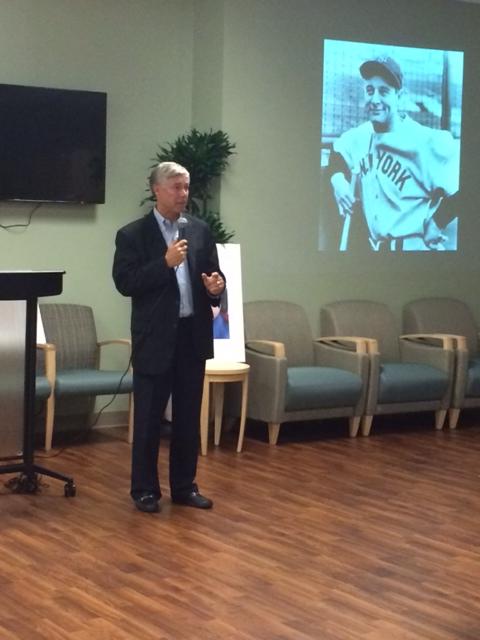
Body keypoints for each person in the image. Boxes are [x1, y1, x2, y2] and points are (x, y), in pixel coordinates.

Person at [112, 161, 225, 513]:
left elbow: (213, 275)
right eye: (176, 187)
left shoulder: (200, 230)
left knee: (188, 419)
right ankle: (145, 490)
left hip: (192, 336)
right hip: (155, 338)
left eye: (186, 187)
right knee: (148, 419)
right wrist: (164, 263)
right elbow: (126, 283)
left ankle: (184, 487)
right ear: (156, 190)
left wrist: (215, 288)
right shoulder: (133, 235)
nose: (183, 194)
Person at [328, 55, 459, 251]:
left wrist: (437, 222)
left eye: (384, 91)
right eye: (370, 90)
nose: (375, 99)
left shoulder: (424, 140)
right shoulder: (360, 135)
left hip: (417, 251)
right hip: (378, 253)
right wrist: (337, 181)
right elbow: (337, 153)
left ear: (399, 96)